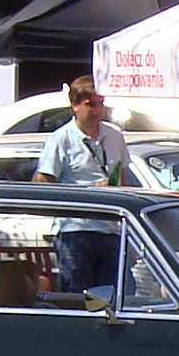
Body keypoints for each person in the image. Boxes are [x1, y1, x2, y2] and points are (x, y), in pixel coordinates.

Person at [35, 76, 132, 298]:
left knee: (110, 297)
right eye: (90, 104)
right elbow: (43, 183)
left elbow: (122, 177)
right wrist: (89, 191)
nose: (97, 110)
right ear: (75, 106)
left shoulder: (114, 135)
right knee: (79, 297)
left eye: (101, 103)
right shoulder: (61, 139)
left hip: (110, 228)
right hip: (75, 230)